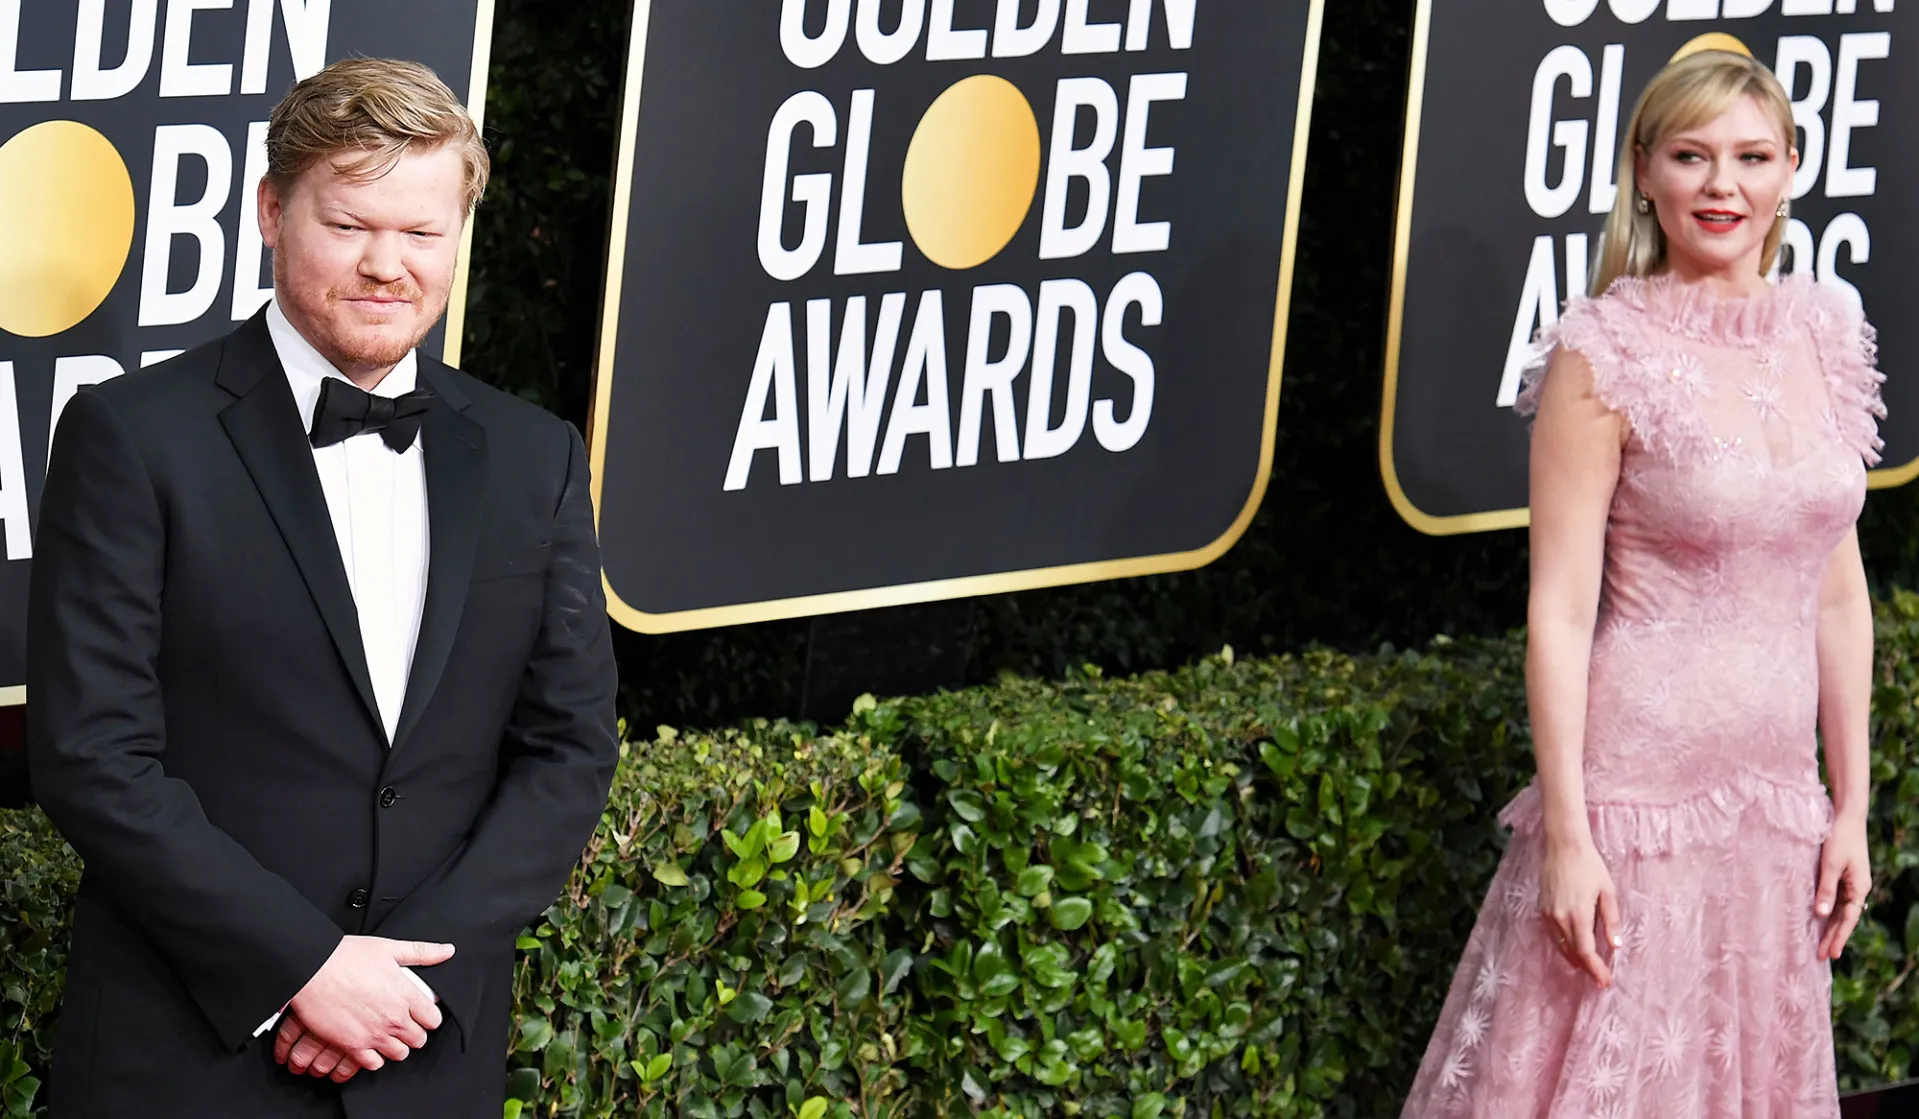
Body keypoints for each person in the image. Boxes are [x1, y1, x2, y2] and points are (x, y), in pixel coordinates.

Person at [26, 58, 619, 1118]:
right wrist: (302, 965)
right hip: (182, 1058)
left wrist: (405, 981)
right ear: (271, 211)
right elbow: (91, 754)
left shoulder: (536, 457)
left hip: (424, 1050)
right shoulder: (132, 438)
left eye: (421, 231)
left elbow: (568, 749)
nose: (387, 265)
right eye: (348, 224)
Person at [1401, 47, 1880, 1117]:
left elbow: (1836, 593)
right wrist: (1569, 839)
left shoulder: (1825, 334)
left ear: (1789, 170)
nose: (1722, 185)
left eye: (1750, 157)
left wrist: (1849, 805)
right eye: (1691, 156)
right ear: (1644, 172)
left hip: (1774, 814)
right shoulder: (1602, 353)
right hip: (1633, 808)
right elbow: (1560, 611)